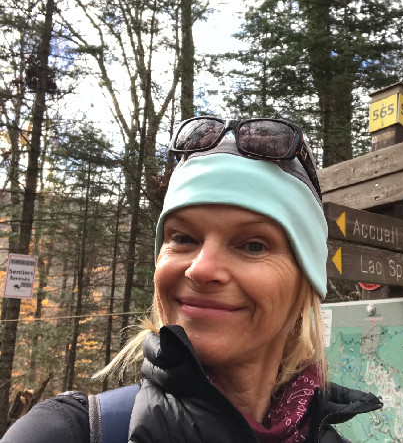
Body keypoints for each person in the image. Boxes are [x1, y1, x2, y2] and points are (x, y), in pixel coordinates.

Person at [2, 116, 382, 442]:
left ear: (306, 280)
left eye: (253, 245)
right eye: (183, 238)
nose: (200, 269)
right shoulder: (64, 433)